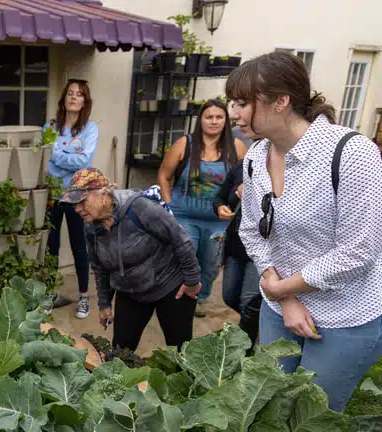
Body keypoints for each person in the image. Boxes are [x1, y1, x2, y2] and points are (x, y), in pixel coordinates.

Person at [227, 51, 382, 412]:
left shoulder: (352, 153)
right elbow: (251, 229)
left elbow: (358, 252)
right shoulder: (254, 156)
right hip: (278, 306)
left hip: (346, 314)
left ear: (281, 102)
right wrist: (284, 297)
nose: (235, 113)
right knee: (269, 407)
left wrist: (284, 287)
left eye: (244, 103)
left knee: (310, 420)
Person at [62, 168, 201, 353]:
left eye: (82, 202)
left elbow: (180, 239)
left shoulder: (139, 208)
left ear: (103, 195)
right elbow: (100, 267)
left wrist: (192, 280)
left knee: (181, 354)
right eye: (74, 204)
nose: (77, 209)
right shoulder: (91, 227)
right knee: (120, 355)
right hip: (130, 292)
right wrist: (104, 304)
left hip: (169, 286)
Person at [157, 99, 247, 317]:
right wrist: (169, 204)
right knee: (184, 257)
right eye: (209, 117)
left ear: (226, 121)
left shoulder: (236, 147)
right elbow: (164, 175)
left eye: (219, 117)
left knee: (210, 264)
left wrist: (239, 194)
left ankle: (199, 297)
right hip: (184, 215)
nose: (214, 122)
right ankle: (175, 297)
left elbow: (245, 178)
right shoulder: (184, 144)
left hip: (219, 220)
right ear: (200, 120)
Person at [44, 79, 99, 319]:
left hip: (77, 195)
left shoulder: (90, 129)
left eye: (79, 94)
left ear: (85, 101)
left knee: (79, 247)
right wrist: (62, 158)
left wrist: (58, 155)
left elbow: (84, 161)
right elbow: (46, 161)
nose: (74, 97)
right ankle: (49, 293)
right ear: (64, 98)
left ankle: (84, 297)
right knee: (51, 246)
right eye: (70, 93)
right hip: (52, 194)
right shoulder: (51, 126)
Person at [213, 139, 262, 344]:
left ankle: (246, 348)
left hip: (259, 249)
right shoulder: (241, 166)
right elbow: (219, 198)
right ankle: (256, 330)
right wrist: (221, 206)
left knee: (248, 303)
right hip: (235, 245)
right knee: (230, 296)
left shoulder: (282, 169)